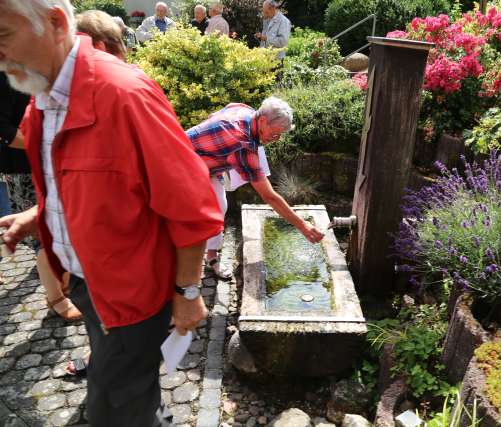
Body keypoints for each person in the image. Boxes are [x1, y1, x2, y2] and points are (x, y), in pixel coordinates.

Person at [0, 2, 223, 426]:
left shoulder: (124, 94)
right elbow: (81, 178)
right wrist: (41, 214)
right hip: (89, 284)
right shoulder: (43, 93)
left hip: (133, 296)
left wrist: (189, 294)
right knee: (125, 390)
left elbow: (192, 206)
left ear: (55, 22)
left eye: (2, 36)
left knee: (111, 407)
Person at [187, 97, 323, 278]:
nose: (277, 139)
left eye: (281, 135)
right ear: (262, 121)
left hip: (209, 164)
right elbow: (269, 196)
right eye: (275, 134)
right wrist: (303, 226)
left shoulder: (246, 111)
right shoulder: (241, 143)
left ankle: (211, 256)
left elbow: (227, 107)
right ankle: (182, 274)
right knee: (185, 217)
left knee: (220, 207)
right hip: (183, 164)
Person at [0, 72, 82, 321]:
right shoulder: (4, 75)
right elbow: (3, 129)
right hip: (24, 168)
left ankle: (62, 281)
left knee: (58, 229)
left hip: (45, 161)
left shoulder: (32, 66)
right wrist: (41, 143)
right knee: (44, 236)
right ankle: (55, 297)